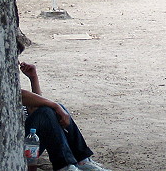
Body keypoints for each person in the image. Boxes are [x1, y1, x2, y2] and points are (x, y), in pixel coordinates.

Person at [19, 41, 111, 171]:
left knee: (51, 110)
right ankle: (65, 165)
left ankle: (82, 160)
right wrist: (55, 106)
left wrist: (33, 78)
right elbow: (20, 95)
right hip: (17, 143)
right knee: (49, 110)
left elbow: (35, 108)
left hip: (30, 139)